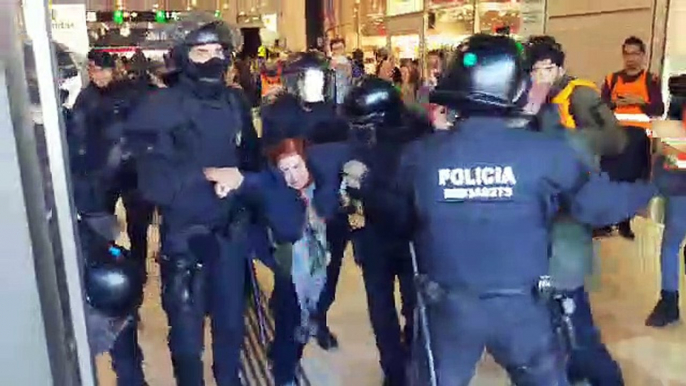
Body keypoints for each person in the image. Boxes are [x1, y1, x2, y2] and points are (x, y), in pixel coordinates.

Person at [347, 34, 656, 385]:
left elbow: (400, 223)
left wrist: (370, 185)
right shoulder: (548, 153)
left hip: (448, 312)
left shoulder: (420, 156)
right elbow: (597, 208)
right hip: (524, 313)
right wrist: (655, 185)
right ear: (515, 87)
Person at [123, 13, 260, 385]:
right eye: (202, 52)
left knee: (231, 330)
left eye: (219, 50)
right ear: (184, 56)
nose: (213, 59)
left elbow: (251, 160)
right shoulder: (159, 107)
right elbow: (151, 181)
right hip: (185, 241)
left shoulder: (235, 102)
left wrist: (246, 182)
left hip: (231, 236)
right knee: (186, 342)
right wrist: (206, 176)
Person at [525, 36, 626, 385]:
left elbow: (615, 138)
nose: (541, 75)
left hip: (574, 203)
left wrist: (571, 145)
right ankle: (574, 361)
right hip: (546, 205)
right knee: (557, 297)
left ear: (560, 67)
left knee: (569, 294)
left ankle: (594, 368)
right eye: (535, 69)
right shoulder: (535, 99)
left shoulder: (579, 94)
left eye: (547, 68)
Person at [341, 77, 431, 386]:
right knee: (380, 310)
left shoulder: (419, 140)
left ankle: (411, 362)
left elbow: (410, 202)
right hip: (373, 235)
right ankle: (394, 371)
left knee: (414, 309)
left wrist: (365, 185)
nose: (358, 130)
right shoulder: (361, 134)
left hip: (412, 238)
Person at [261, 50, 350, 350]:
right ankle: (287, 331)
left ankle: (318, 317)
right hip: (291, 199)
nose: (317, 84)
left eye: (320, 77)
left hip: (330, 200)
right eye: (309, 78)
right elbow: (269, 155)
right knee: (290, 268)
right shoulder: (279, 110)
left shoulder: (336, 111)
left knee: (329, 264)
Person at [600, 36, 665, 239]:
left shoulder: (650, 80)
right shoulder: (612, 79)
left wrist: (640, 101)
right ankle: (604, 221)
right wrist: (614, 104)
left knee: (631, 182)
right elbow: (599, 108)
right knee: (609, 180)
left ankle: (624, 222)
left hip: (637, 139)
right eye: (627, 53)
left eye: (635, 53)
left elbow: (659, 109)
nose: (631, 58)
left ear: (643, 55)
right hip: (614, 136)